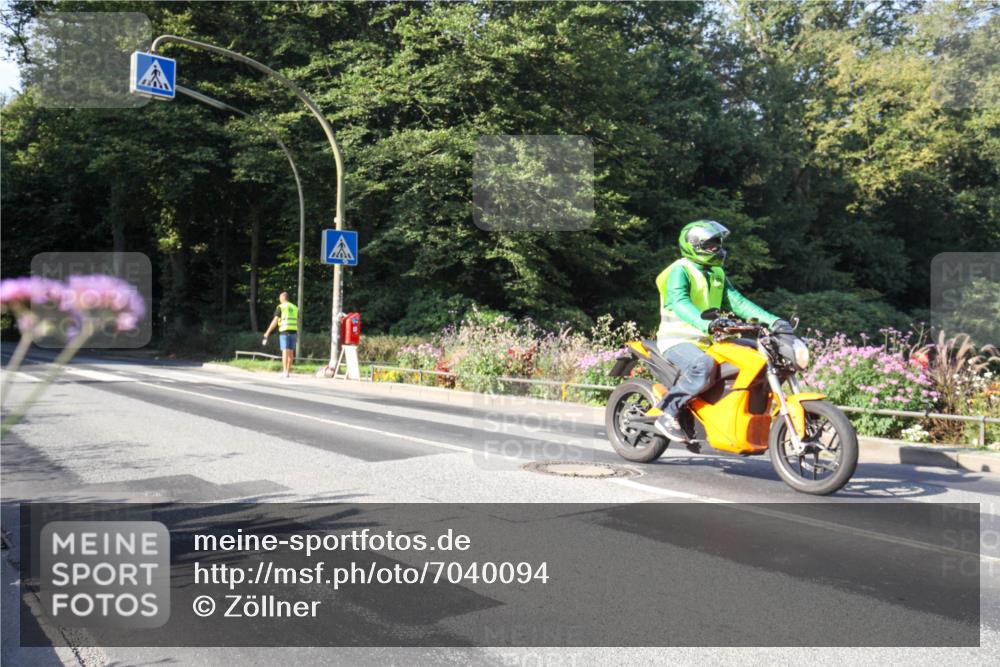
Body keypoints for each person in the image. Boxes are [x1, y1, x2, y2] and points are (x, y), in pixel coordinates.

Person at [653, 220, 792, 442]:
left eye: (718, 244)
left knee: (753, 359)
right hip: (676, 340)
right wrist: (708, 323)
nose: (717, 249)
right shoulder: (680, 270)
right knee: (704, 366)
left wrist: (774, 322)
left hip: (708, 341)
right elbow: (679, 302)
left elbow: (737, 302)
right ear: (694, 245)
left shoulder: (716, 273)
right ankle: (667, 411)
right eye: (711, 245)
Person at [262, 292, 299, 378]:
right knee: (291, 352)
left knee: (285, 351)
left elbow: (275, 321)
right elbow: (297, 320)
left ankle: (284, 371)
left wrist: (267, 332)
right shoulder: (295, 307)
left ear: (282, 298)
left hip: (284, 331)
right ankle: (288, 372)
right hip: (293, 331)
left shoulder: (281, 307)